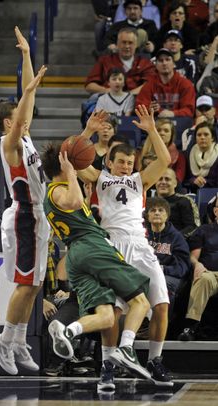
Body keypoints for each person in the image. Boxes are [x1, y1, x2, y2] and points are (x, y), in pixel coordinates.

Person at [42, 113, 152, 390]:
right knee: (141, 302)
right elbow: (75, 200)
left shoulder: (50, 195)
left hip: (78, 256)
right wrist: (71, 173)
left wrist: (88, 131)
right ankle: (126, 351)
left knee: (105, 316)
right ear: (64, 165)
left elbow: (75, 153)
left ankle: (69, 331)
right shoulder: (58, 189)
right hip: (93, 247)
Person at [78, 105, 173, 386]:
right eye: (121, 162)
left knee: (162, 304)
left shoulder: (139, 180)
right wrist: (88, 132)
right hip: (112, 245)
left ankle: (154, 360)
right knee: (115, 311)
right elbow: (71, 159)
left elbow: (164, 159)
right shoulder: (99, 177)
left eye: (130, 162)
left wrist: (152, 130)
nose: (127, 166)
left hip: (139, 243)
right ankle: (108, 365)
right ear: (109, 161)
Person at [0, 28, 50, 376]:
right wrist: (27, 90)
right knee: (25, 283)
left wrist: (26, 56)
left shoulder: (25, 140)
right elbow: (28, 97)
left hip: (38, 217)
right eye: (20, 116)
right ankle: (3, 340)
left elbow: (31, 94)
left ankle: (18, 340)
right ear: (9, 123)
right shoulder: (7, 143)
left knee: (36, 284)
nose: (27, 117)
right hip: (24, 216)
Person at [178, 195, 218, 341]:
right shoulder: (204, 230)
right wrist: (197, 264)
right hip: (210, 274)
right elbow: (193, 256)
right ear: (216, 212)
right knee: (204, 279)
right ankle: (190, 327)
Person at [145, 197, 191, 322]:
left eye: (161, 210)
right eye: (153, 210)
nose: (157, 213)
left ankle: (163, 325)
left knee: (161, 284)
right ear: (148, 216)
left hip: (171, 275)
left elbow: (183, 267)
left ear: (167, 215)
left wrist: (162, 269)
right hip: (145, 274)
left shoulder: (176, 237)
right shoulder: (141, 235)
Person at [85, 27, 156, 95]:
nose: (127, 46)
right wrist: (106, 90)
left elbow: (151, 84)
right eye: (124, 42)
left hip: (136, 102)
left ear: (136, 45)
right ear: (117, 44)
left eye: (130, 43)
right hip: (108, 101)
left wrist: (129, 95)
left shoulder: (145, 63)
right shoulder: (104, 61)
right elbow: (89, 86)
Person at [136, 48, 196, 118]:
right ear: (156, 65)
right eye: (160, 60)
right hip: (156, 125)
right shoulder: (150, 84)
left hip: (180, 124)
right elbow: (139, 107)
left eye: (167, 59)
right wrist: (149, 109)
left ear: (174, 64)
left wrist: (173, 113)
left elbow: (189, 110)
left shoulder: (185, 84)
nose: (164, 63)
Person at [155, 168, 200, 239]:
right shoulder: (149, 202)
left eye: (167, 179)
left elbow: (193, 227)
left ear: (175, 183)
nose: (163, 182)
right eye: (160, 179)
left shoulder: (185, 201)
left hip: (176, 244)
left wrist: (173, 238)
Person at [139, 118, 186, 183]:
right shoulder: (141, 153)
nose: (162, 133)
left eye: (166, 131)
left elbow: (178, 179)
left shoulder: (180, 157)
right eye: (158, 130)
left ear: (171, 135)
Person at [187, 122, 218, 192]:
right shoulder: (190, 152)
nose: (202, 137)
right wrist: (194, 180)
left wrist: (204, 181)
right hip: (194, 191)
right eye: (199, 135)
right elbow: (186, 178)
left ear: (212, 137)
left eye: (206, 134)